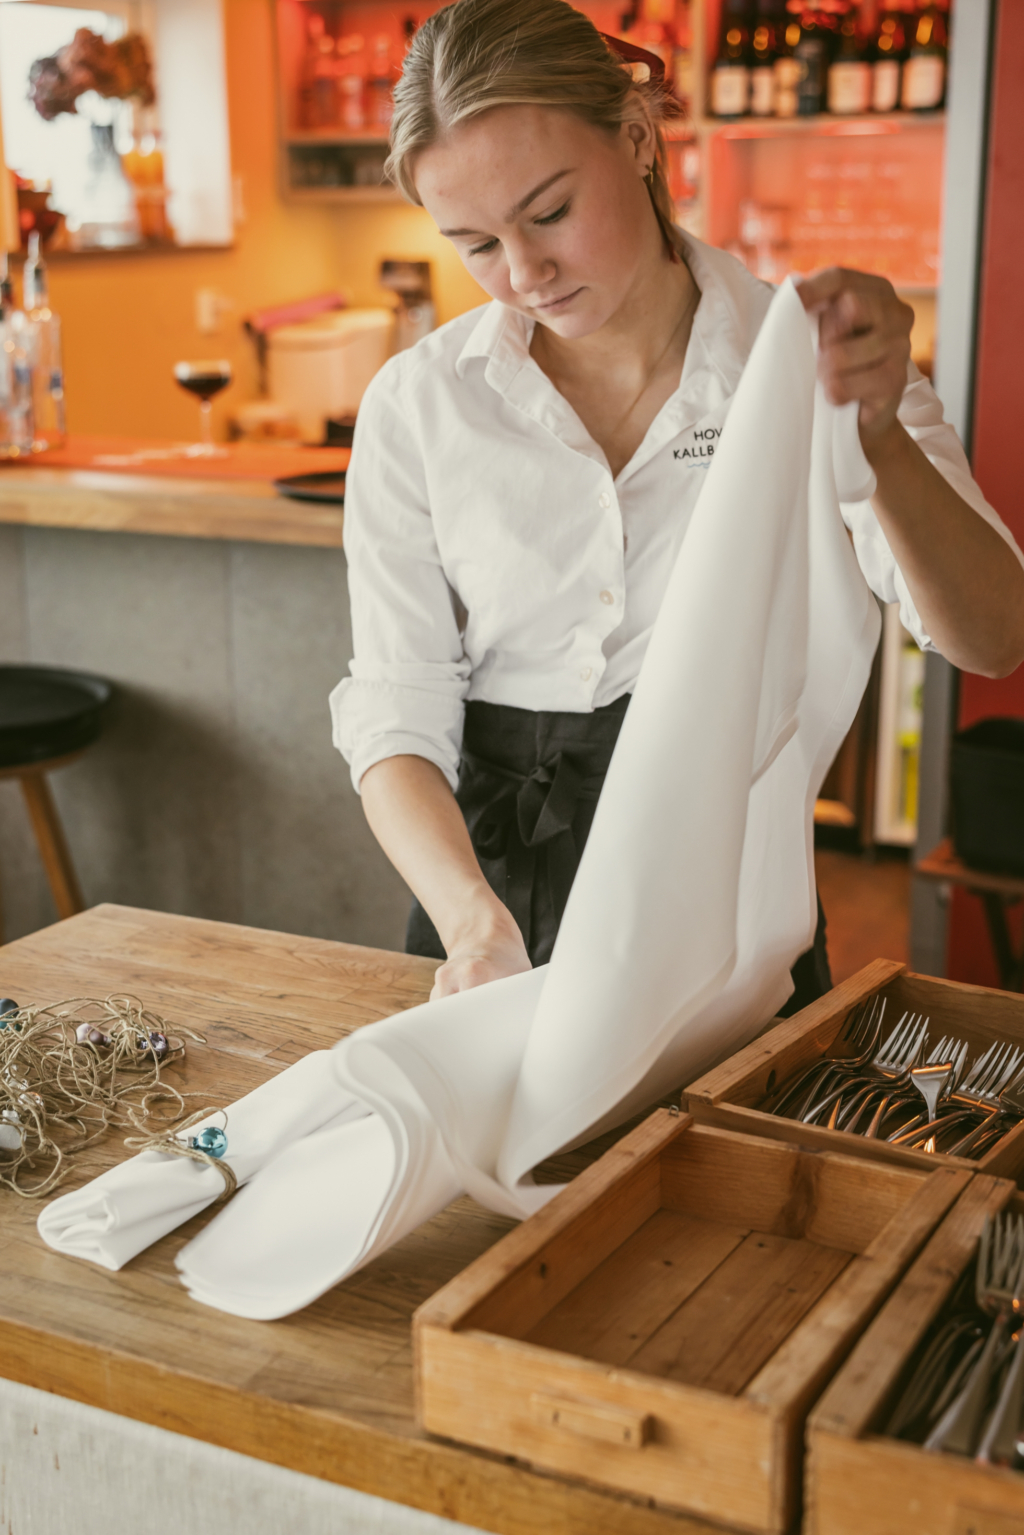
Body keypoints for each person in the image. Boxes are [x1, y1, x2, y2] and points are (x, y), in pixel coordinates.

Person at [331, 0, 1024, 1006]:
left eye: (549, 213)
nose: (523, 273)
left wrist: (873, 434)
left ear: (637, 137)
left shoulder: (812, 366)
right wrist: (475, 926)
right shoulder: (418, 402)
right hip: (485, 907)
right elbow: (397, 709)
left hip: (728, 909)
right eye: (474, 243)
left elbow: (994, 638)